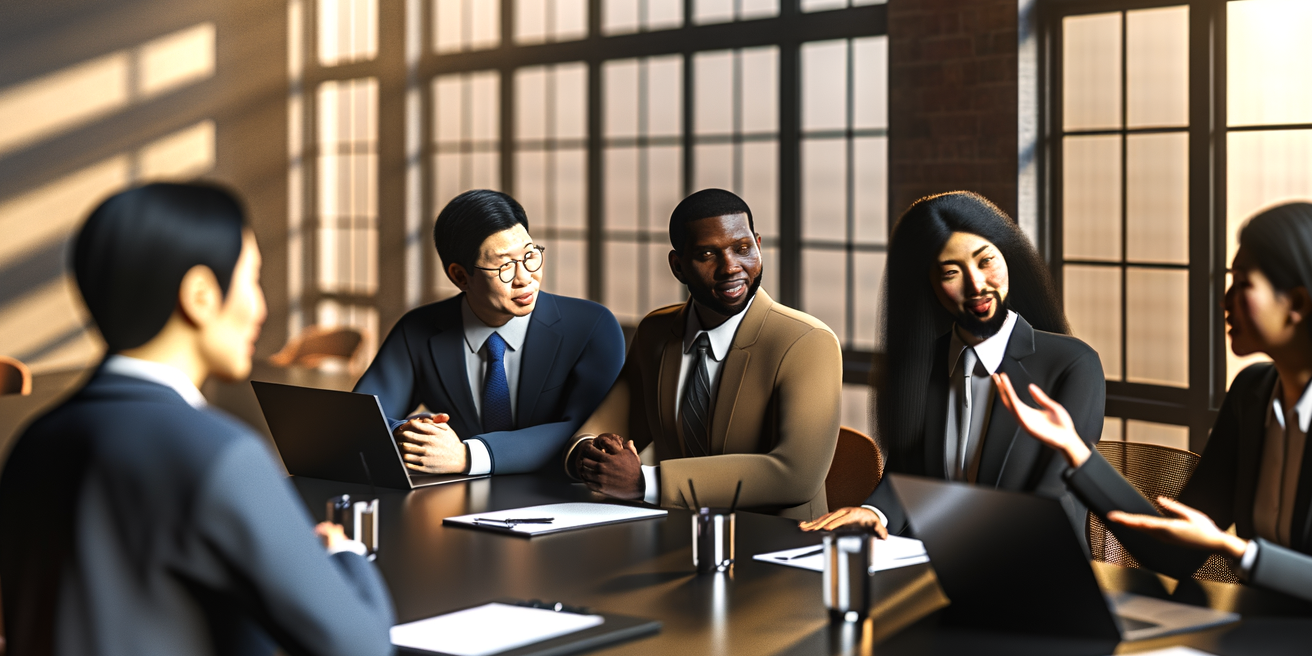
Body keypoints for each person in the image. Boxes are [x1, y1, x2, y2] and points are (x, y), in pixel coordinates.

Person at [0, 183, 486, 656]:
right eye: (251, 280)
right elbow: (359, 655)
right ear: (200, 295)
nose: (260, 307)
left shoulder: (36, 441)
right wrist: (344, 554)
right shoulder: (219, 453)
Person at [997, 201, 1312, 622]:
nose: (1225, 300)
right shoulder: (1253, 394)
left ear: (1297, 303)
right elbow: (1174, 550)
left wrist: (1240, 552)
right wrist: (1076, 451)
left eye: (1243, 284)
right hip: (1300, 638)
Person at [801, 191, 1106, 546]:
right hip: (934, 559)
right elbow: (907, 475)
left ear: (1008, 257)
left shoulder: (1073, 364)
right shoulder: (926, 363)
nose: (976, 285)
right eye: (950, 272)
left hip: (1035, 561)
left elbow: (1058, 493)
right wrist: (875, 513)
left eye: (986, 261)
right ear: (927, 284)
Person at [567, 189, 842, 518]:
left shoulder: (808, 342)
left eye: (743, 249)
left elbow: (796, 476)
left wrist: (644, 482)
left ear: (758, 245)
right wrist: (592, 457)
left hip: (775, 540)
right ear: (678, 266)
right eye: (708, 254)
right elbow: (604, 427)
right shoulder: (656, 332)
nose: (731, 267)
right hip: (673, 533)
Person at [355, 189, 626, 476]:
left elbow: (589, 433)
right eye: (504, 265)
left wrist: (469, 455)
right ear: (460, 276)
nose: (525, 278)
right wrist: (409, 434)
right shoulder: (418, 329)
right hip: (453, 496)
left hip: (561, 496)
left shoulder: (592, 326)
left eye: (530, 255)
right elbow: (362, 416)